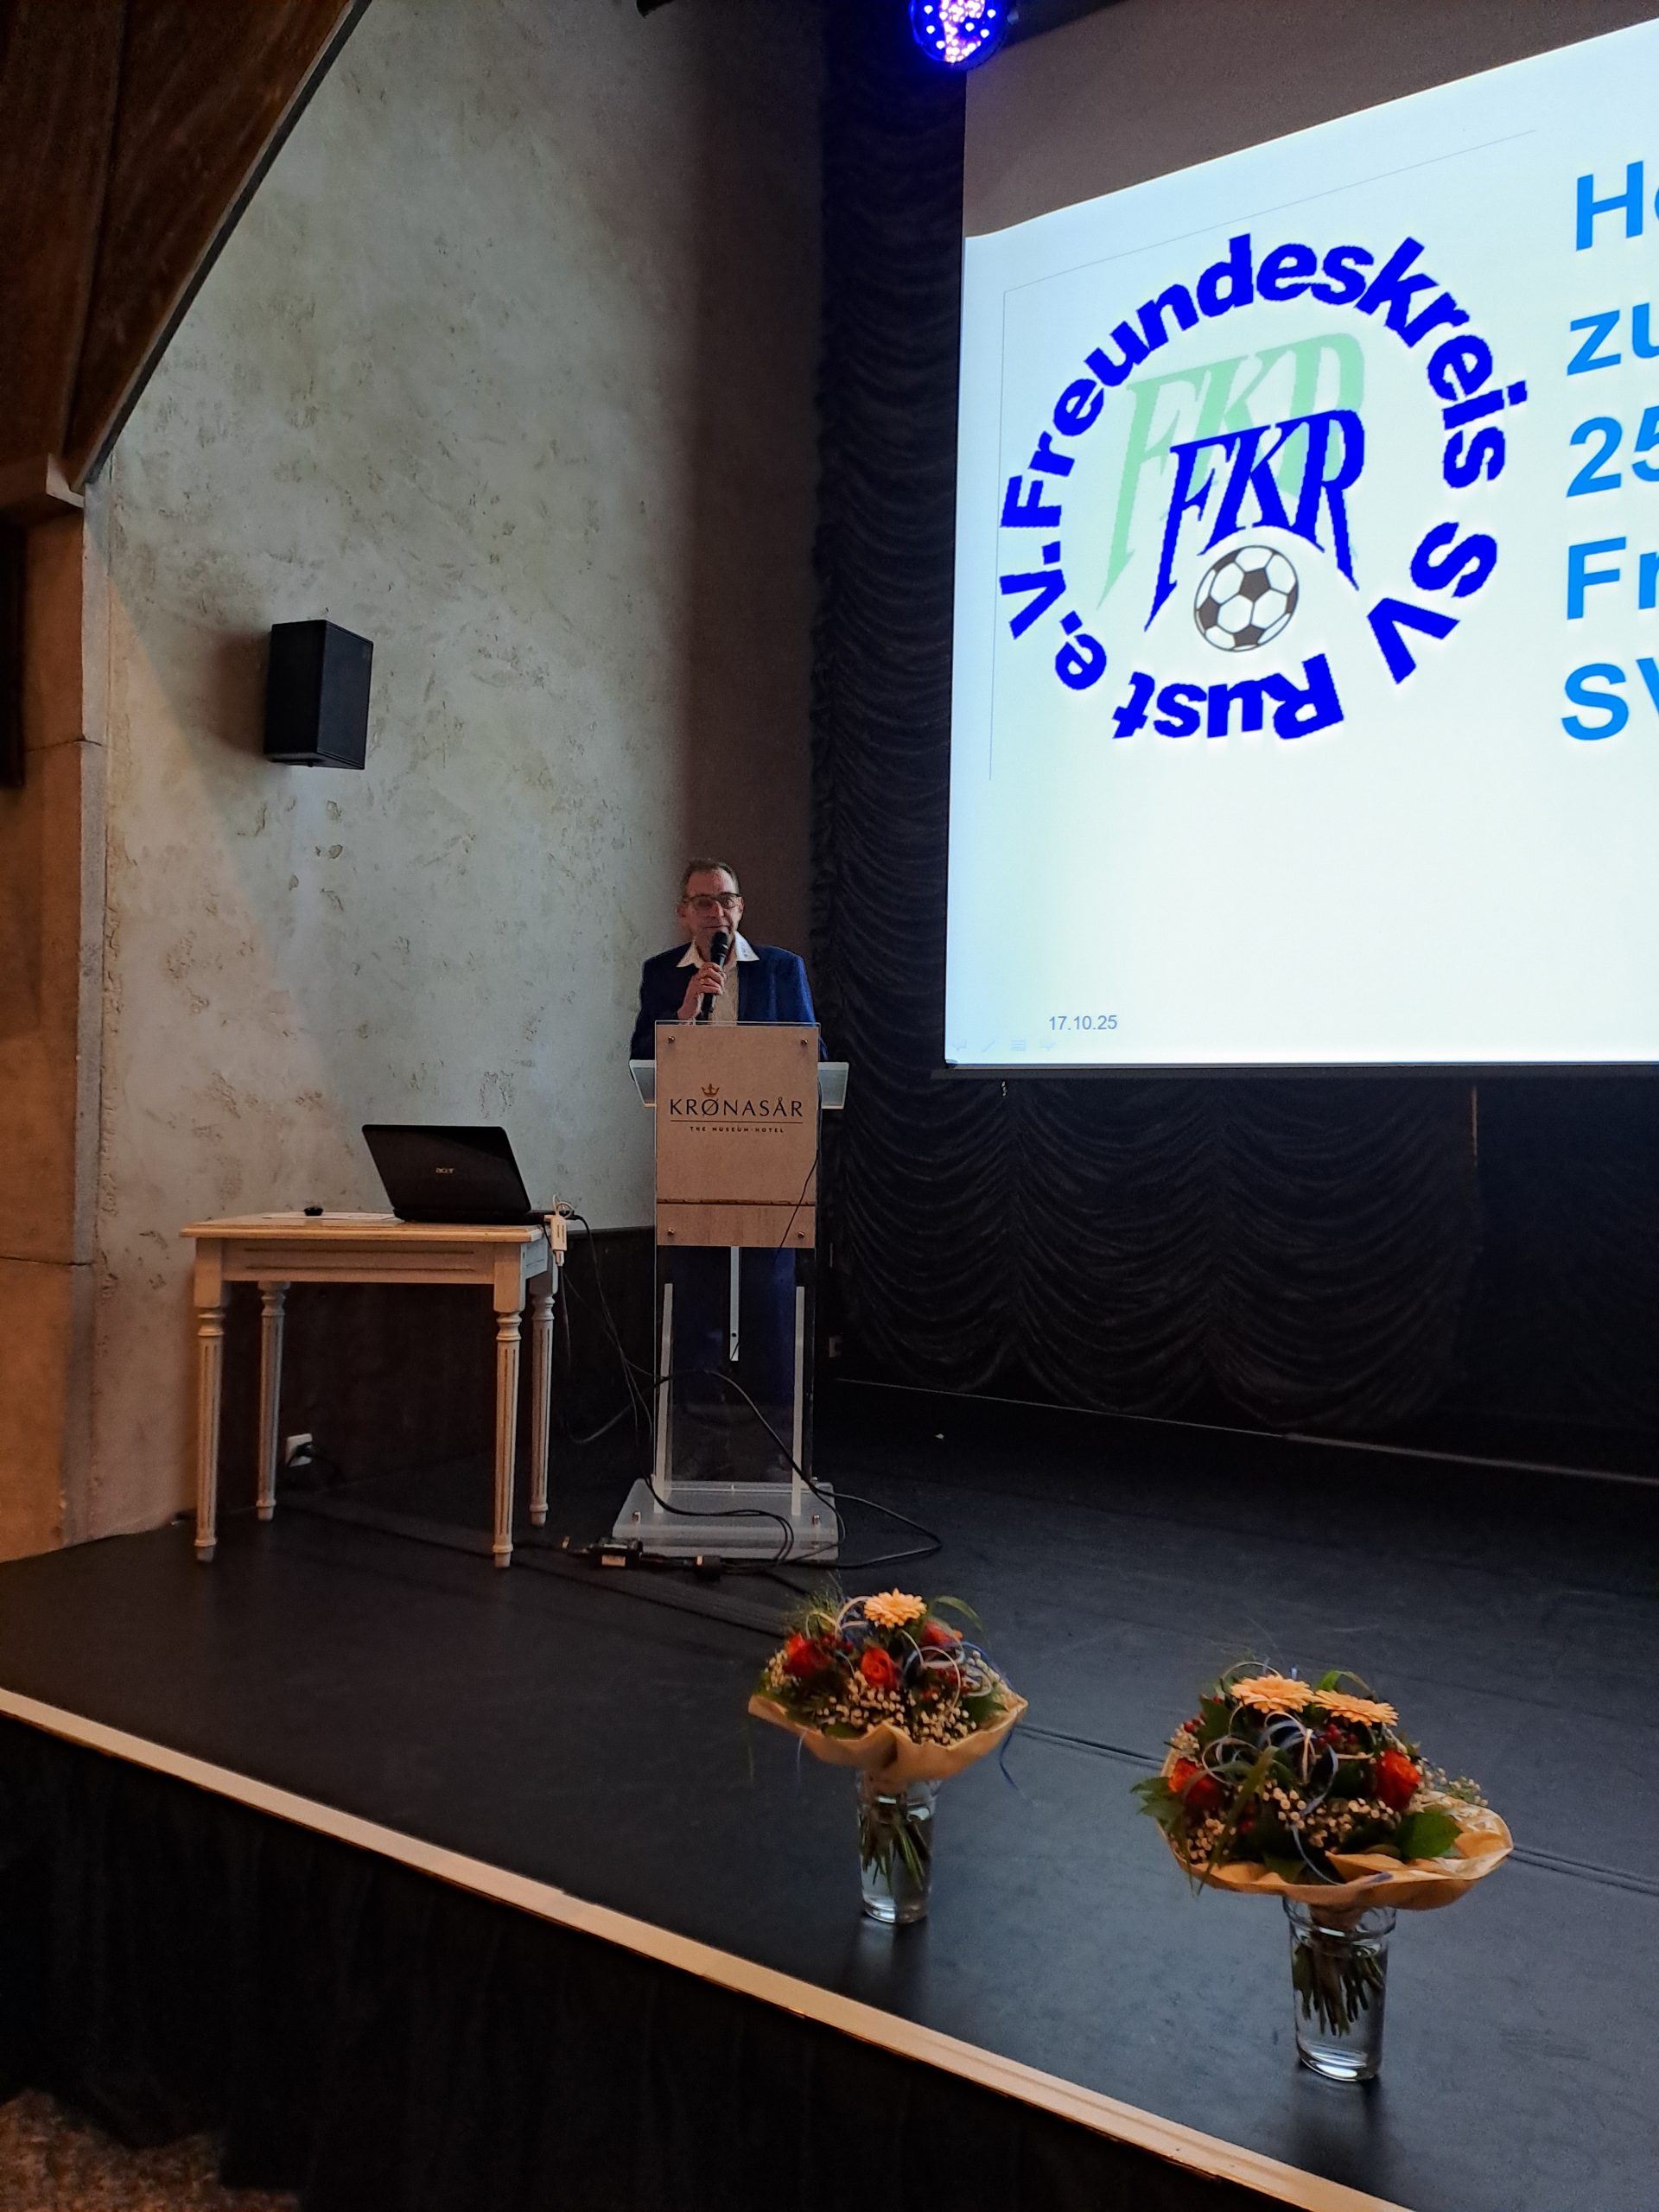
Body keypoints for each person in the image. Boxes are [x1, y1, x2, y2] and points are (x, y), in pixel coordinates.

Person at [628, 860, 817, 1059]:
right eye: (703, 903)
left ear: (740, 908)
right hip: (690, 1081)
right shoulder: (660, 972)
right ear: (683, 913)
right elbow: (641, 1058)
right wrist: (682, 1017)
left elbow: (812, 1056)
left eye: (727, 901)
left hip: (763, 1081)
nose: (717, 913)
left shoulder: (781, 969)